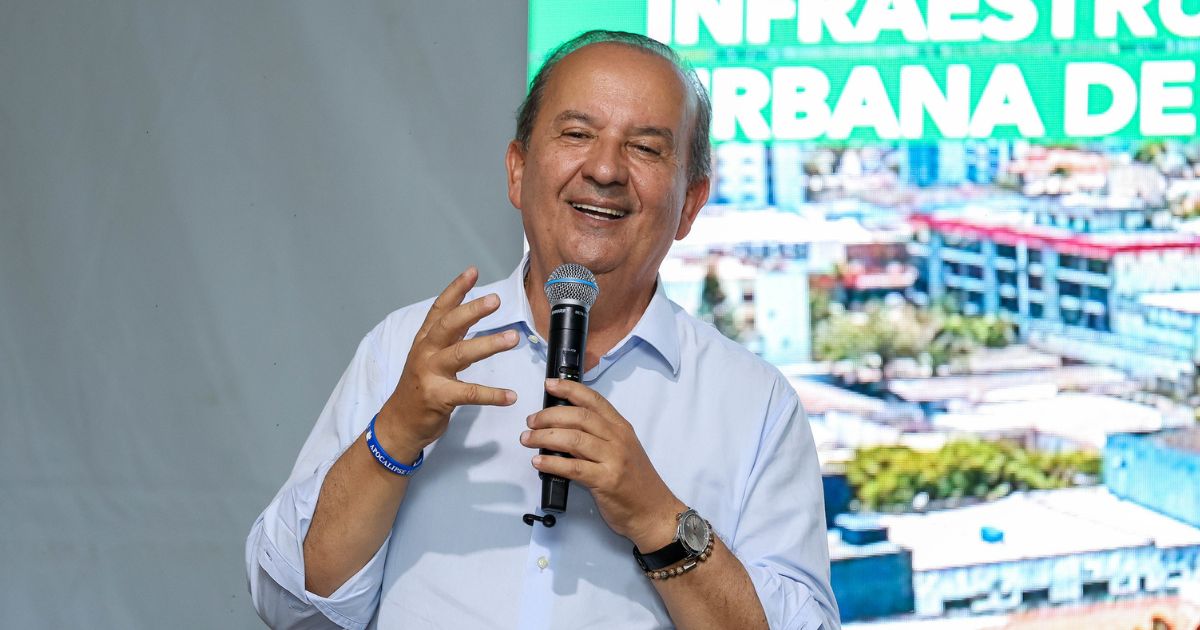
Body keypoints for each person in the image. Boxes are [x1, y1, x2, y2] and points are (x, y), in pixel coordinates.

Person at [246, 30, 839, 629]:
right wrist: (395, 433)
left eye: (645, 148)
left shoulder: (756, 403)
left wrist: (657, 518)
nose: (604, 169)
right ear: (518, 170)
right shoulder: (410, 349)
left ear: (691, 203)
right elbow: (289, 608)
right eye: (577, 134)